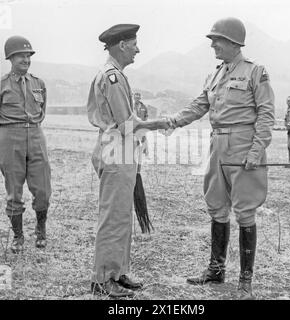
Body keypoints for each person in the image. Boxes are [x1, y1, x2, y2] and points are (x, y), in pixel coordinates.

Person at [166, 17, 275, 299]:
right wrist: (173, 121)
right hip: (217, 144)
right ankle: (216, 270)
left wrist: (256, 150)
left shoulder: (255, 72)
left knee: (245, 210)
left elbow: (265, 114)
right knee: (216, 205)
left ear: (232, 42)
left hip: (243, 144)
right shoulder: (214, 74)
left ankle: (245, 282)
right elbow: (199, 105)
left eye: (216, 40)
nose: (212, 44)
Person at [87, 24, 170, 298]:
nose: (138, 49)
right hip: (116, 149)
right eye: (134, 44)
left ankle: (118, 272)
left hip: (122, 150)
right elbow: (126, 124)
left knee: (122, 215)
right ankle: (103, 278)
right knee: (113, 217)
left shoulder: (117, 75)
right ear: (121, 44)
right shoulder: (112, 77)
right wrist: (160, 123)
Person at [0, 36, 51, 253]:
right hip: (10, 137)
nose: (26, 59)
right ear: (10, 57)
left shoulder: (39, 83)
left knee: (43, 191)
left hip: (36, 137)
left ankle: (41, 229)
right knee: (14, 192)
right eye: (21, 55)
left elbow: (42, 112)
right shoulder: (2, 84)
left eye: (29, 55)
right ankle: (18, 236)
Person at [134, 92, 149, 156]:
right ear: (134, 98)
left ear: (140, 98)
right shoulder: (131, 106)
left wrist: (145, 122)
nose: (137, 99)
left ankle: (146, 151)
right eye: (136, 98)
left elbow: (146, 115)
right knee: (134, 138)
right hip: (134, 125)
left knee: (144, 138)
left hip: (142, 124)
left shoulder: (144, 106)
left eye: (138, 98)